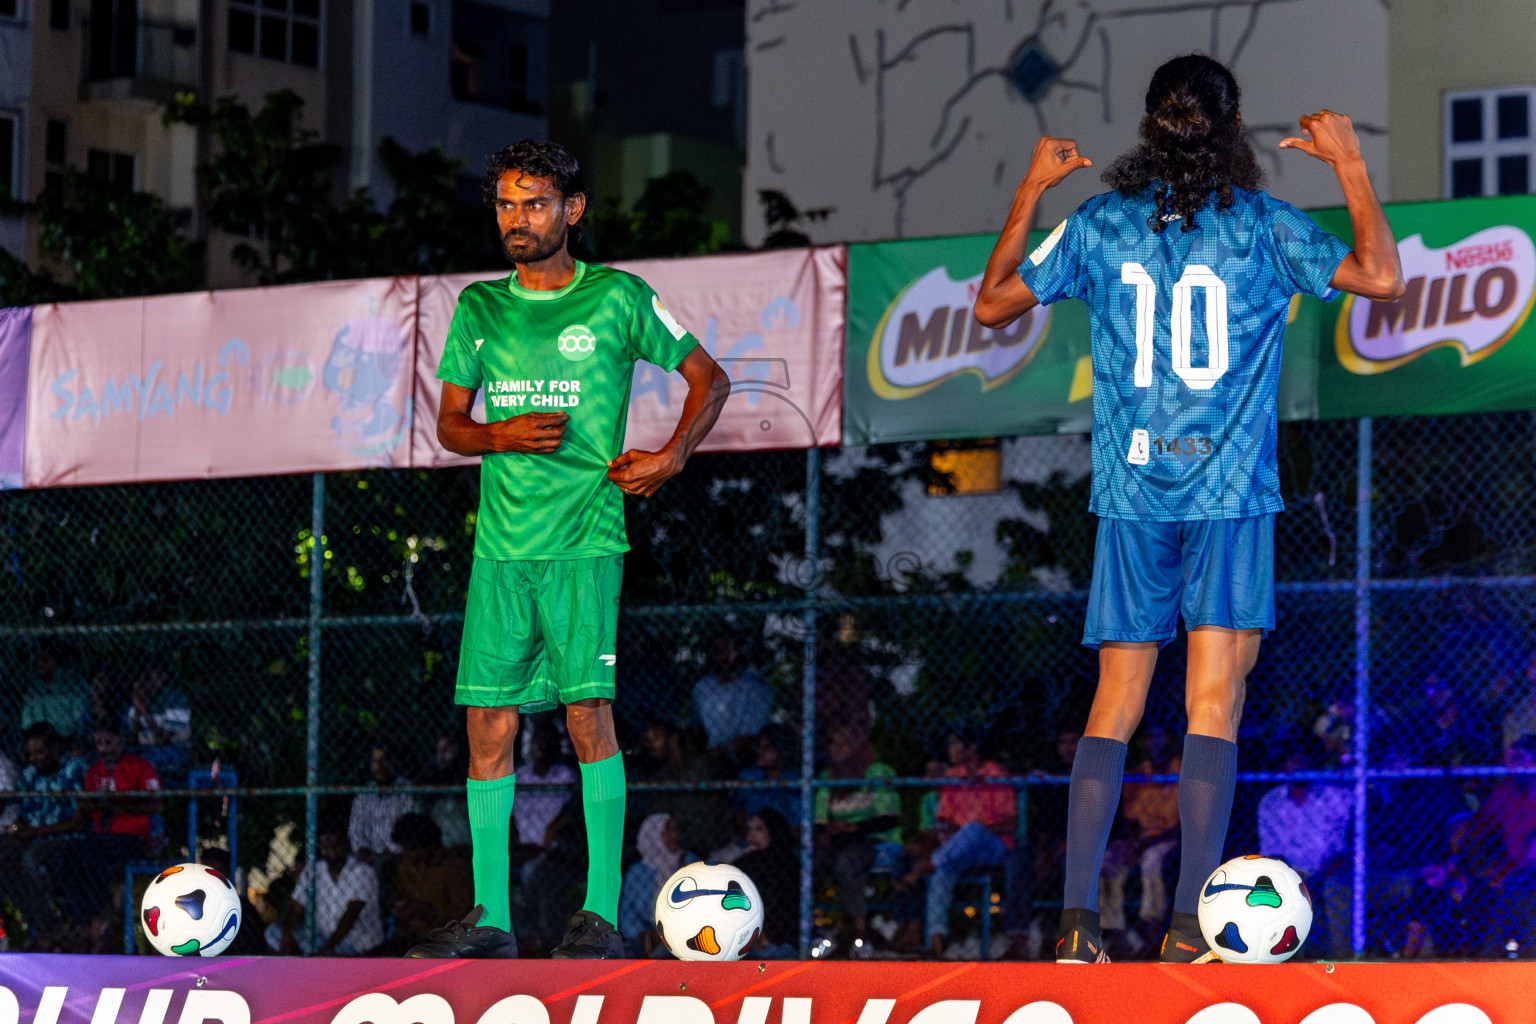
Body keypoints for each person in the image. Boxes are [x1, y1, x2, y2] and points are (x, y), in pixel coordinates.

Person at [973, 53, 1404, 964]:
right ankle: (1185, 934)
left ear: (1148, 123)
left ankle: (1076, 925)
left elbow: (991, 305)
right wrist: (1349, 165)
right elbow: (1382, 279)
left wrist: (1030, 189)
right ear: (1231, 124)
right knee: (1216, 701)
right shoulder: (1262, 227)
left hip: (1133, 494)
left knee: (1114, 703)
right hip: (1227, 496)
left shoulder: (1100, 224)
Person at [412, 138, 729, 960]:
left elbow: (711, 378)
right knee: (489, 724)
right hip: (500, 554)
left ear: (572, 211)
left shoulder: (619, 298)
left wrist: (672, 455)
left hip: (585, 540)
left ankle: (596, 917)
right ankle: (489, 921)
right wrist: (497, 434)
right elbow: (450, 427)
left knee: (588, 714)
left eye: (535, 204)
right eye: (507, 206)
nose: (517, 220)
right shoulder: (480, 307)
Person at [52, 721, 162, 935]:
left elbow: (157, 804)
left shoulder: (140, 767)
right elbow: (86, 815)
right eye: (99, 743)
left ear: (120, 741)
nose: (104, 749)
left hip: (132, 836)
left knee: (93, 859)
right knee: (64, 858)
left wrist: (118, 803)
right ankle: (84, 919)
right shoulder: (94, 772)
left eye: (109, 742)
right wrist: (86, 805)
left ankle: (105, 914)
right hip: (101, 835)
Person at [1256, 746, 1353, 957]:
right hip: (1292, 872)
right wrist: (1292, 877)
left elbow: (1342, 849)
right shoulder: (1271, 802)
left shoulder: (1334, 796)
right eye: (1292, 761)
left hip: (1330, 870)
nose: (1298, 766)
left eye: (1302, 760)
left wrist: (1318, 877)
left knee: (1332, 888)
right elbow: (1271, 852)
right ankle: (1296, 962)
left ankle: (1343, 960)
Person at [813, 722, 899, 958]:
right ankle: (815, 931)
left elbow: (889, 818)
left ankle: (859, 933)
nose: (836, 748)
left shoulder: (877, 772)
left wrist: (854, 827)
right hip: (838, 839)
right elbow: (818, 820)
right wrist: (825, 831)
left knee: (847, 862)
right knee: (806, 861)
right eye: (833, 743)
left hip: (872, 839)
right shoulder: (827, 777)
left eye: (844, 743)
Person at [0, 723, 87, 947]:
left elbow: (79, 820)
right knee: (5, 854)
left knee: (32, 859)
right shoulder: (29, 775)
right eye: (31, 753)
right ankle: (40, 924)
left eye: (40, 751)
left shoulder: (74, 768)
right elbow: (21, 813)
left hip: (68, 838)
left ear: (55, 747)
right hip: (35, 836)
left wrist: (36, 832)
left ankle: (53, 923)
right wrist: (18, 828)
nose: (36, 758)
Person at [269, 825, 384, 956]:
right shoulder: (313, 871)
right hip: (323, 939)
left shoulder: (363, 871)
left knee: (324, 952)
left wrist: (329, 946)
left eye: (335, 844)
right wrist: (286, 932)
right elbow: (296, 908)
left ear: (345, 844)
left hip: (356, 944)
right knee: (273, 932)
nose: (331, 850)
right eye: (326, 845)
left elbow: (351, 914)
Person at [617, 813, 693, 957]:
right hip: (646, 936)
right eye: (667, 830)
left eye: (675, 829)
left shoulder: (689, 862)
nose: (674, 835)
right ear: (653, 834)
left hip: (683, 934)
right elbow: (627, 912)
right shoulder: (637, 872)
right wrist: (644, 935)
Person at [690, 635, 774, 765]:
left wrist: (716, 754)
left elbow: (750, 737)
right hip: (710, 756)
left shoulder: (755, 686)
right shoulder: (702, 687)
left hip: (747, 757)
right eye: (719, 650)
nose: (725, 656)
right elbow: (695, 728)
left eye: (730, 650)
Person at [733, 807, 799, 957]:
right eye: (749, 829)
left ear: (773, 832)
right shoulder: (744, 862)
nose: (752, 835)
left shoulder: (787, 864)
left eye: (759, 829)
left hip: (780, 941)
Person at [348, 742, 419, 866]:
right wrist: (363, 851)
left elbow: (410, 830)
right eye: (375, 761)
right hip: (368, 858)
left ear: (393, 762)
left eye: (384, 760)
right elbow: (355, 831)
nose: (379, 766)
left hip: (398, 857)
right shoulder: (364, 795)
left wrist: (391, 852)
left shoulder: (407, 792)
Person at [21, 647, 89, 744]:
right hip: (39, 744)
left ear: (55, 660)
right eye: (37, 660)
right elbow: (26, 725)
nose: (40, 664)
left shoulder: (71, 683)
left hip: (67, 741)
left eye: (45, 659)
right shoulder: (32, 690)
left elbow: (79, 722)